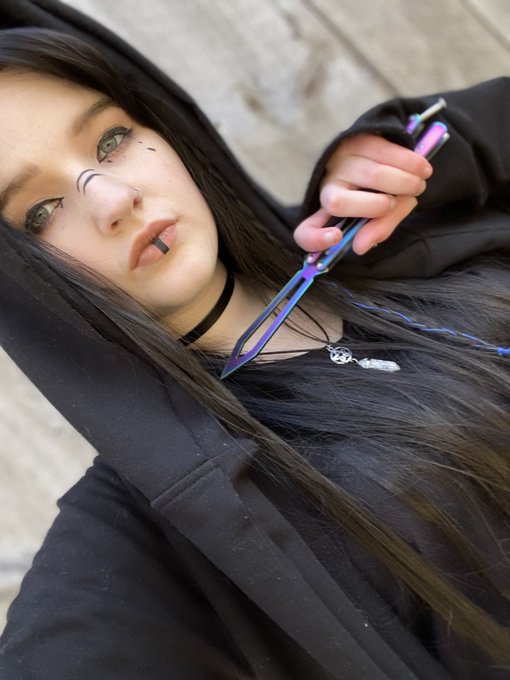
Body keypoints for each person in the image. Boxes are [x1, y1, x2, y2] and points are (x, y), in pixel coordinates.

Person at [0, 4, 509, 680]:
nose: (114, 198)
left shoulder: (385, 231)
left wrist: (450, 148)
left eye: (111, 139)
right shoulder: (165, 527)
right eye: (39, 212)